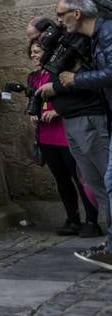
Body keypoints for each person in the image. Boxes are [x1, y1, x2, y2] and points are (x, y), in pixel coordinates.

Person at [53, 0, 112, 271]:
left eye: (60, 14)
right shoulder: (97, 37)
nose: (59, 21)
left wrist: (76, 78)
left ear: (76, 14)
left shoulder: (108, 31)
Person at [26, 39, 101, 236]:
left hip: (63, 131)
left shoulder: (58, 72)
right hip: (46, 134)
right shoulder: (34, 77)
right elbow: (35, 99)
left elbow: (70, 94)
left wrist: (57, 112)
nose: (33, 55)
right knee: (61, 179)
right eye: (31, 52)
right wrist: (33, 113)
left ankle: (92, 221)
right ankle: (73, 219)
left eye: (37, 51)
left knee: (81, 177)